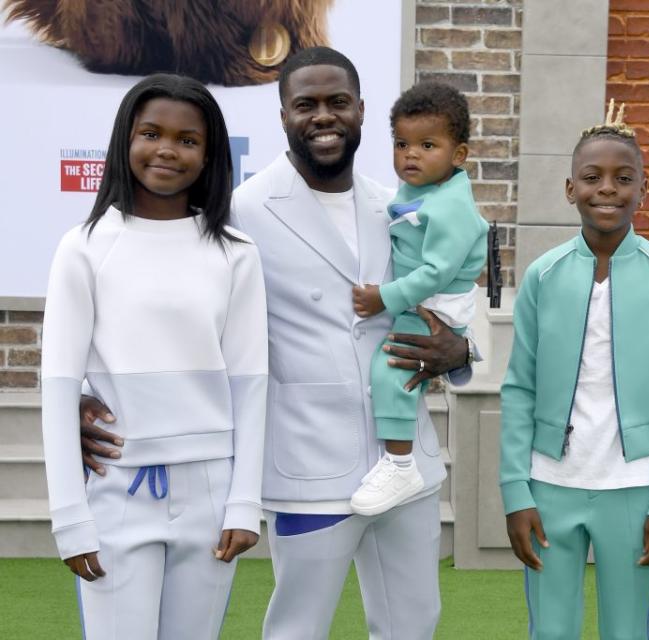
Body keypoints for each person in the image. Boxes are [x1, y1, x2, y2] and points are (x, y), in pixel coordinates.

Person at [77, 47, 473, 640]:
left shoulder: (398, 202)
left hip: (403, 460)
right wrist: (87, 392)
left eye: (338, 103)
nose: (324, 117)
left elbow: (458, 282)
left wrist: (464, 353)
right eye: (306, 104)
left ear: (362, 110)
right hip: (307, 464)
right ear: (282, 113)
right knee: (297, 627)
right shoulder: (242, 212)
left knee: (413, 623)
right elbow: (168, 304)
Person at [41, 74, 268, 639]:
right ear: (125, 140)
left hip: (211, 495)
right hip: (118, 491)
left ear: (210, 155)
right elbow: (59, 383)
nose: (167, 149)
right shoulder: (85, 246)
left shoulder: (236, 254)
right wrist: (70, 517)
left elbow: (252, 382)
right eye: (151, 133)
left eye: (187, 140)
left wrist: (244, 504)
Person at [499, 100, 649, 639]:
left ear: (643, 187)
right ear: (571, 189)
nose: (607, 188)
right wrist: (516, 491)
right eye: (591, 177)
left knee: (628, 632)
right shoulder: (543, 276)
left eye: (622, 177)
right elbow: (519, 387)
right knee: (551, 631)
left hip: (635, 488)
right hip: (550, 485)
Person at [351, 82, 488, 516]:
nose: (410, 154)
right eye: (401, 143)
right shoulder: (422, 190)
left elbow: (436, 273)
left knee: (392, 365)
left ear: (459, 155)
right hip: (425, 300)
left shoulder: (451, 207)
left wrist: (383, 299)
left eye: (427, 145)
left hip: (435, 306)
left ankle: (399, 463)